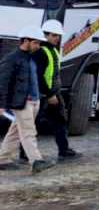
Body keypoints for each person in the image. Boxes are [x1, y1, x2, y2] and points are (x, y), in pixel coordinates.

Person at [23, 20, 80, 162]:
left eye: (58, 35)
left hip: (53, 93)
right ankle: (25, 154)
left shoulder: (53, 50)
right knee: (32, 125)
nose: (57, 38)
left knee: (60, 121)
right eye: (54, 35)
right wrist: (49, 95)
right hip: (44, 95)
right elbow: (38, 77)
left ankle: (64, 150)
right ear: (45, 35)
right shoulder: (40, 52)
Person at [0, 27, 54, 173]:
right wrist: (2, 104)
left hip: (32, 100)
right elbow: (3, 83)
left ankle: (3, 159)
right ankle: (36, 161)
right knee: (28, 131)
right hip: (23, 102)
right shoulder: (11, 59)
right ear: (25, 41)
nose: (38, 46)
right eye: (36, 43)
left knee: (16, 131)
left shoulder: (30, 58)